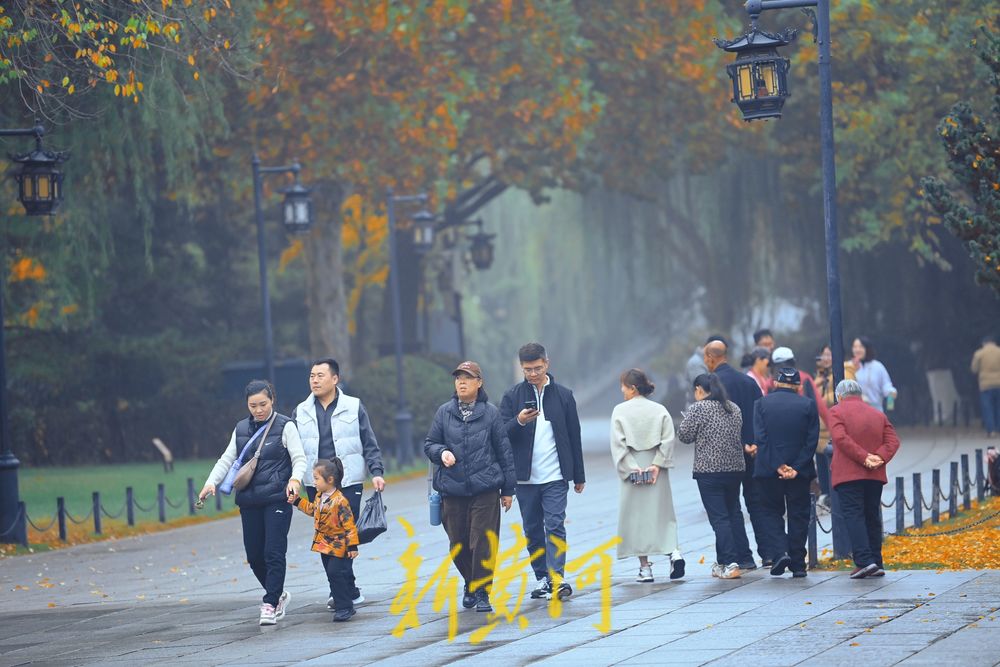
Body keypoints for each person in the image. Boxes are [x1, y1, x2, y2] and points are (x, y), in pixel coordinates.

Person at [199, 380, 306, 625]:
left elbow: (299, 457)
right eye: (253, 405)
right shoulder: (240, 429)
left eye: (263, 404)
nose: (258, 410)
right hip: (249, 500)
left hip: (278, 497)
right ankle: (278, 594)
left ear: (272, 401)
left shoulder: (285, 426)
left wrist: (295, 480)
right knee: (255, 555)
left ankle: (270, 603)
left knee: (273, 552)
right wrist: (210, 483)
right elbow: (227, 459)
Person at [424, 361, 516, 613]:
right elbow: (430, 443)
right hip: (451, 490)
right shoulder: (444, 412)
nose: (461, 382)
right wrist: (441, 452)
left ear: (479, 382)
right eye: (458, 378)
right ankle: (470, 581)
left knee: (483, 542)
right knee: (458, 544)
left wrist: (508, 490)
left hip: (485, 489)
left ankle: (483, 590)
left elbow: (504, 452)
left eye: (468, 377)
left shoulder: (491, 413)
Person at [294, 358, 385, 609]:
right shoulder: (300, 411)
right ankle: (347, 589)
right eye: (312, 375)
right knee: (326, 538)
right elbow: (293, 450)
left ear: (335, 379)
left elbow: (369, 442)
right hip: (317, 485)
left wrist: (376, 471)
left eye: (320, 375)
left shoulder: (354, 406)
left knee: (344, 536)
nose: (315, 380)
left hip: (349, 482)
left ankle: (342, 594)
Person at [500, 342, 586, 601]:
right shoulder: (512, 396)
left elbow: (574, 436)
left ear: (547, 363)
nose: (533, 374)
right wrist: (519, 421)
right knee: (533, 530)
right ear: (521, 368)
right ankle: (542, 578)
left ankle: (557, 577)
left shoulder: (563, 395)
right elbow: (500, 434)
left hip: (556, 476)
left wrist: (578, 475)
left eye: (537, 368)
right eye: (528, 369)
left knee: (556, 524)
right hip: (525, 478)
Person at [609, 369, 684, 583]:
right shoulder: (659, 409)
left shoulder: (620, 411)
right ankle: (673, 552)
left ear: (632, 388)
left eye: (623, 386)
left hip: (633, 467)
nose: (622, 390)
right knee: (663, 513)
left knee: (636, 517)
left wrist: (632, 468)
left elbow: (618, 443)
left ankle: (645, 568)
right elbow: (668, 439)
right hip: (656, 468)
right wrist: (657, 465)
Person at [677, 373, 750, 580]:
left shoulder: (698, 408)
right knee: (733, 513)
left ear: (699, 389)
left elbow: (684, 436)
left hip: (709, 471)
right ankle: (724, 561)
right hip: (735, 469)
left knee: (719, 518)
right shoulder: (733, 407)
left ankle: (730, 562)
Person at [828, 379, 900, 579]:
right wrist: (879, 457)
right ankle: (877, 561)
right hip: (874, 475)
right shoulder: (878, 414)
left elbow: (840, 438)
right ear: (860, 394)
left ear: (839, 396)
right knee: (872, 516)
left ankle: (864, 561)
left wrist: (864, 457)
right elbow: (893, 440)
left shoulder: (836, 411)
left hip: (848, 474)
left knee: (854, 515)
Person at [703, 339, 765, 570]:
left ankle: (742, 556)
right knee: (757, 502)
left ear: (710, 357)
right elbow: (761, 414)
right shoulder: (748, 382)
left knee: (731, 508)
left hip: (726, 457)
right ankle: (768, 553)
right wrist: (755, 443)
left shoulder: (713, 384)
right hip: (753, 451)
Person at [753, 368, 819, 578]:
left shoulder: (761, 404)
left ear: (776, 383)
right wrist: (796, 467)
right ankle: (798, 563)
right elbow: (812, 440)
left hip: (768, 470)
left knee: (770, 511)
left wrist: (778, 465)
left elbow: (761, 438)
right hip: (799, 472)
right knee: (799, 514)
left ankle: (780, 552)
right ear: (799, 386)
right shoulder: (808, 404)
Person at [289, 458, 360, 621]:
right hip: (323, 544)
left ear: (330, 480)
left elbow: (349, 524)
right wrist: (297, 501)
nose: (314, 482)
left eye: (316, 478)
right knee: (331, 574)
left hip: (338, 544)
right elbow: (313, 511)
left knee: (336, 572)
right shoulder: (320, 496)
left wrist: (352, 546)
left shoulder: (340, 501)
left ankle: (345, 607)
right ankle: (341, 602)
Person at [813, 345, 837, 508]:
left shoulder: (841, 372)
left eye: (829, 355)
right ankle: (825, 493)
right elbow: (812, 393)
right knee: (821, 462)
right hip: (819, 427)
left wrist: (822, 398)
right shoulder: (819, 375)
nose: (826, 358)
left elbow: (837, 394)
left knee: (833, 462)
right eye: (824, 355)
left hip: (833, 425)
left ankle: (834, 492)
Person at [850, 337, 897, 412]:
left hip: (875, 410)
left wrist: (890, 403)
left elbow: (887, 388)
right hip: (855, 412)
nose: (857, 350)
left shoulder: (878, 366)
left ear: (867, 349)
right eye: (855, 347)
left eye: (860, 347)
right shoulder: (849, 366)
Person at [971, 335, 1000, 437]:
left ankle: (991, 430)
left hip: (985, 385)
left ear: (984, 343)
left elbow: (974, 369)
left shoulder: (979, 353)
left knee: (988, 408)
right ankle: (998, 428)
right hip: (999, 383)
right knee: (998, 407)